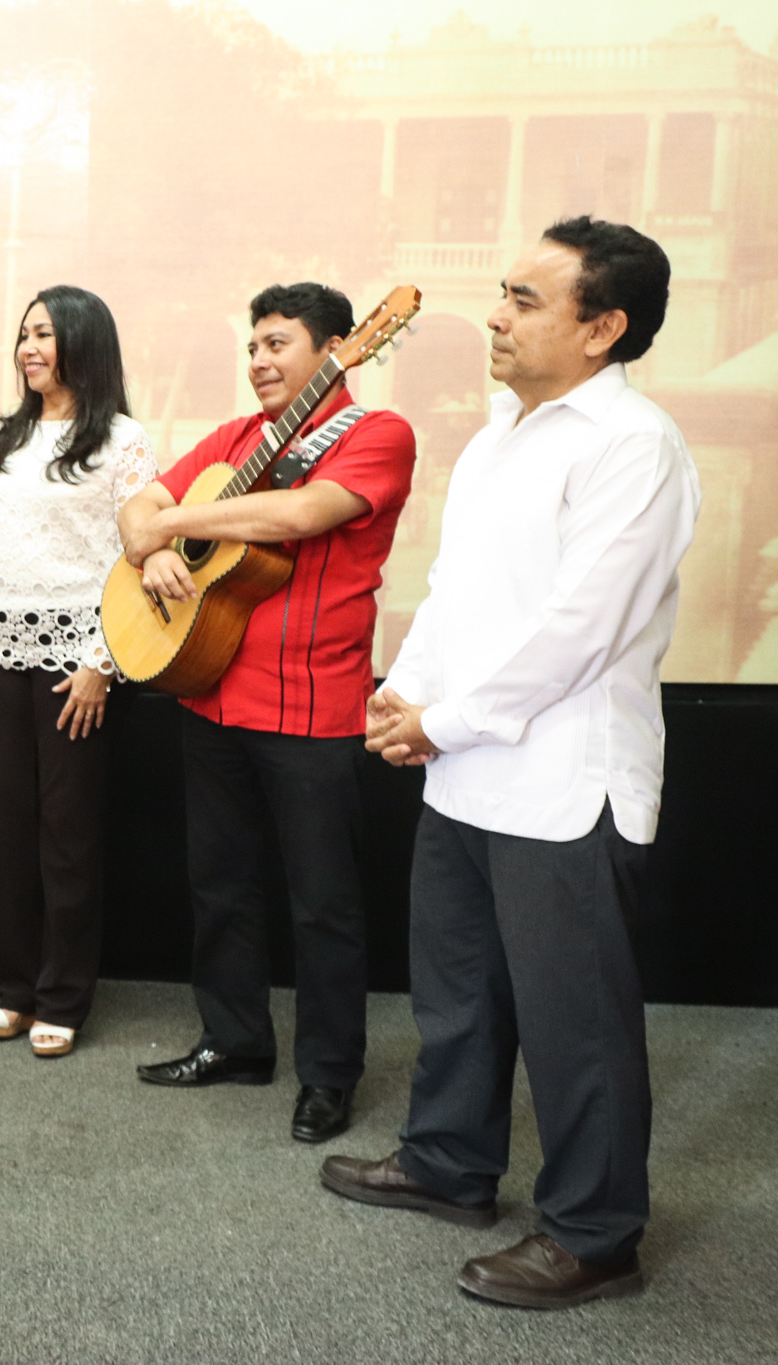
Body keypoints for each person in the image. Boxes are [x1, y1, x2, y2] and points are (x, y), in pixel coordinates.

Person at [326, 219, 695, 1310]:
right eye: (500, 293)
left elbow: (580, 629)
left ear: (603, 327)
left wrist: (442, 721)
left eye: (525, 299)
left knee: (573, 1025)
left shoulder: (633, 444)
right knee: (457, 997)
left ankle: (592, 1235)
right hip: (466, 766)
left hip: (562, 780)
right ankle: (446, 1166)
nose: (491, 314)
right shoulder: (496, 436)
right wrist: (405, 685)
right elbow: (456, 592)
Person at [118, 283, 416, 1142]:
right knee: (221, 886)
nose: (259, 361)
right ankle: (235, 1040)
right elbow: (141, 504)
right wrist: (155, 550)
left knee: (323, 905)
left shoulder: (375, 434)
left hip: (313, 704)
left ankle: (328, 1074)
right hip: (208, 689)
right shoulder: (236, 440)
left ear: (334, 349)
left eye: (278, 343)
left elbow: (301, 512)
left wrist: (172, 521)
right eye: (252, 346)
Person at [0, 286, 158, 1059]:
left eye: (45, 334)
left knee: (66, 834)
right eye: (24, 334)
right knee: (4, 830)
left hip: (77, 658)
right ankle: (12, 989)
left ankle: (63, 994)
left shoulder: (124, 440)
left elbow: (135, 556)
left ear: (82, 342)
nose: (29, 348)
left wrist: (102, 661)